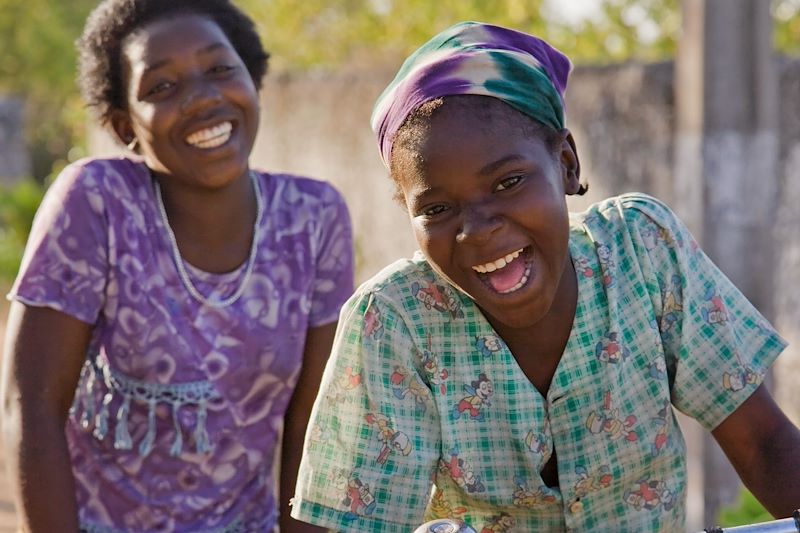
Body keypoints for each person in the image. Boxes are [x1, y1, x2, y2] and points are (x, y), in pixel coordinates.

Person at [290, 21, 800, 532]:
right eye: (439, 208)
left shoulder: (642, 252)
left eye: (508, 182)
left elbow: (763, 442)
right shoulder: (394, 322)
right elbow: (343, 524)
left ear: (567, 163)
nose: (479, 230)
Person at [0, 0, 352, 531]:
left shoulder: (314, 218)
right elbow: (31, 407)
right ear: (125, 127)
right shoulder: (97, 202)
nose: (203, 98)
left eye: (220, 70)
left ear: (253, 81)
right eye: (161, 87)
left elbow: (314, 427)